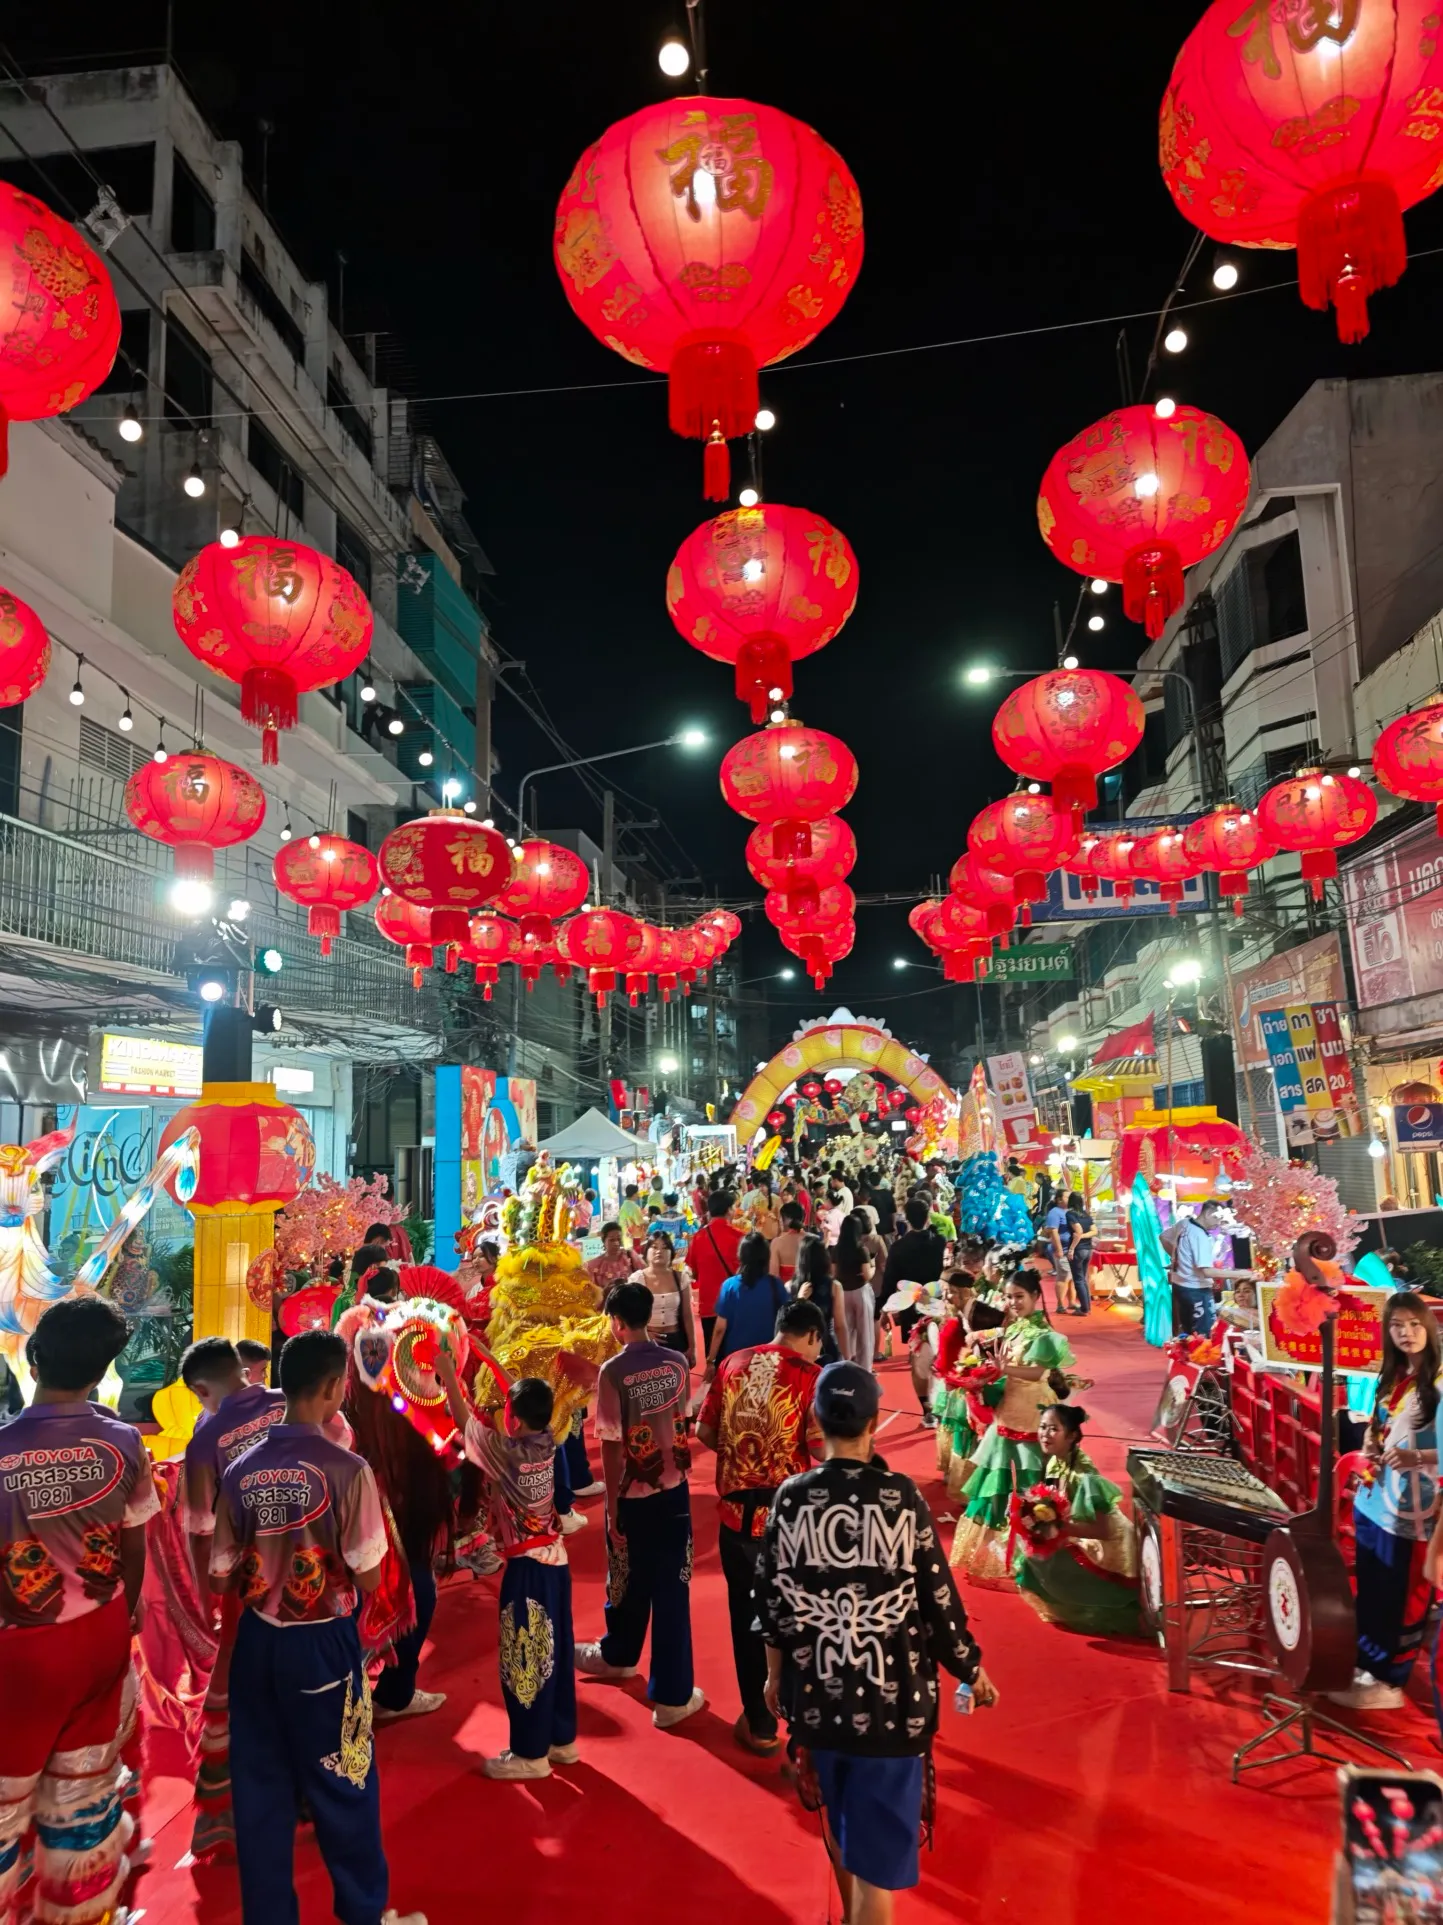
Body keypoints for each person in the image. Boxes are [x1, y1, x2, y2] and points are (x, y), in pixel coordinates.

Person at [756, 1361, 997, 1925]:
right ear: (872, 1422)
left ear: (815, 1419)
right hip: (893, 1707)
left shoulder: (791, 1498)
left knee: (839, 1825)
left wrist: (775, 1677)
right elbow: (937, 1598)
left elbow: (771, 1602)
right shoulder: (900, 1497)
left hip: (818, 1700)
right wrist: (969, 1666)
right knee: (874, 1873)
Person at [211, 1328, 427, 1925]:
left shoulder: (241, 1468)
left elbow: (220, 1576)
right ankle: (362, 1912)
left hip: (257, 1642)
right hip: (323, 1643)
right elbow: (368, 1576)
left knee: (260, 1788)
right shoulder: (348, 1469)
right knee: (344, 1779)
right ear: (334, 1387)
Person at [0, 1297, 158, 1925]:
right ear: (102, 1372)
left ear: (33, 1360)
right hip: (100, 1638)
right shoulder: (123, 1442)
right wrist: (125, 1614)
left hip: (17, 1653)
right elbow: (135, 1544)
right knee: (82, 1801)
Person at [436, 1361, 578, 1779]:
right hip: (556, 1560)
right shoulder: (547, 1440)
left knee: (526, 1654)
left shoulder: (506, 1453)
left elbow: (463, 1421)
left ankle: (530, 1754)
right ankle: (561, 1739)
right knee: (557, 1650)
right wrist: (492, 1365)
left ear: (513, 1419)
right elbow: (520, 1404)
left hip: (528, 1569)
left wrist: (448, 1374)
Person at [696, 1298, 825, 1755]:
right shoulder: (811, 1376)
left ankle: (760, 1723)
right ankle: (805, 1724)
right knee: (798, 1616)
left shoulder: (732, 1363)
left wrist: (739, 1457)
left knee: (746, 1617)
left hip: (736, 1518)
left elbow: (704, 1431)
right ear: (812, 1336)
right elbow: (820, 1447)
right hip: (789, 1523)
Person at [575, 1281, 704, 1728]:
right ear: (650, 1316)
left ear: (615, 1323)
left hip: (632, 1495)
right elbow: (680, 1418)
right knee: (672, 1587)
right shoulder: (677, 1363)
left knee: (626, 1577)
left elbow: (611, 1445)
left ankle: (619, 1654)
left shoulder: (613, 1372)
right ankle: (671, 1697)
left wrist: (612, 1504)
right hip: (675, 1489)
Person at [180, 1334, 288, 1857]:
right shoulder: (291, 1401)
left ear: (202, 1390)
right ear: (243, 1370)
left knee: (237, 1684)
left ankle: (232, 1809)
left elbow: (200, 1531)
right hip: (317, 1572)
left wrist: (206, 1600)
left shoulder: (206, 1440)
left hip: (248, 1582)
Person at [1332, 1291, 1441, 1711]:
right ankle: (1366, 1664)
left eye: (1414, 1324)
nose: (1406, 1333)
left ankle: (1390, 1680)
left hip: (1415, 1512)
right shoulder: (1394, 1374)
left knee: (1403, 1597)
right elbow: (1385, 1423)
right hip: (1375, 1500)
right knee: (1375, 1590)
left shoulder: (1439, 1383)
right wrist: (1372, 1440)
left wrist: (1418, 1457)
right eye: (1396, 1325)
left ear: (1428, 1326)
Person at [344, 1325, 455, 1724]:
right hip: (386, 1516)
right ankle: (390, 1693)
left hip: (374, 1516)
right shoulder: (409, 1401)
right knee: (413, 1595)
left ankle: (373, 1694)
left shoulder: (349, 1404)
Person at [949, 1269, 1076, 1586]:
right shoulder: (1015, 1327)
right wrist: (982, 1378)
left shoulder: (1044, 1334)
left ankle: (1030, 1558)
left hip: (1034, 1415)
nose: (1013, 1302)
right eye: (1009, 1297)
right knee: (998, 1483)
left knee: (1031, 1486)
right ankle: (1002, 1556)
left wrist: (1004, 1369)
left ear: (1036, 1297)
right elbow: (1003, 1365)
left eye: (1019, 1296)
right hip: (1008, 1412)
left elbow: (1038, 1373)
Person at [1013, 1404, 1140, 1636]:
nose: (1045, 1434)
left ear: (1072, 1436)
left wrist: (1058, 1529)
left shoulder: (1084, 1477)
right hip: (1078, 1527)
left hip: (1111, 1543)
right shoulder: (1055, 1461)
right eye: (1042, 1427)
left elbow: (1103, 1531)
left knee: (1045, 1552)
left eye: (1054, 1429)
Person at [706, 1230, 790, 1371]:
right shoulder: (776, 1285)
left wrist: (711, 1360)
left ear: (741, 1255)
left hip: (736, 1360)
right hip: (768, 1360)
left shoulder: (730, 1286)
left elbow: (720, 1329)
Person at [1170, 1198, 1252, 1335]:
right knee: (1204, 1334)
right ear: (1208, 1214)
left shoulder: (1185, 1225)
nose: (1218, 1223)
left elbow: (1166, 1239)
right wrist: (1241, 1274)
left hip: (1182, 1286)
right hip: (1196, 1290)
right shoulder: (1199, 1235)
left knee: (1191, 1332)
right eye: (1218, 1219)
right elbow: (1207, 1271)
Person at [690, 1190, 746, 1357]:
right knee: (736, 1360)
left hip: (708, 1306)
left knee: (713, 1358)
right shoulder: (740, 1237)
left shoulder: (698, 1237)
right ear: (729, 1210)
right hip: (735, 1306)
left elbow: (694, 1272)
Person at [631, 1228, 697, 1365]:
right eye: (654, 1247)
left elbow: (687, 1315)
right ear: (647, 1251)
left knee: (678, 1377)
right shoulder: (636, 1279)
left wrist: (692, 1346)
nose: (659, 1251)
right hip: (647, 1342)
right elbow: (630, 1315)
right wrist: (645, 1334)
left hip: (676, 1340)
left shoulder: (681, 1278)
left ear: (671, 1252)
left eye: (664, 1247)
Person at [831, 1213, 878, 1373]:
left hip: (842, 1293)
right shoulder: (861, 1249)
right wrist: (873, 1267)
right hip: (860, 1291)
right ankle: (865, 1369)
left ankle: (847, 1366)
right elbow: (867, 1275)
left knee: (846, 1330)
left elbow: (833, 1273)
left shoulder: (836, 1250)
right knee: (865, 1333)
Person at [795, 1230, 849, 1363]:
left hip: (799, 1351)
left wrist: (799, 1300)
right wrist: (847, 1356)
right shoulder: (834, 1286)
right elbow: (840, 1326)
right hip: (826, 1347)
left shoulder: (790, 1286)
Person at [1041, 1193, 1077, 1312]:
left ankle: (1072, 1302)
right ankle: (1060, 1305)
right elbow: (1053, 1232)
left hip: (1072, 1250)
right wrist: (1059, 1249)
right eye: (1067, 1197)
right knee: (1064, 1276)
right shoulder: (1055, 1212)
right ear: (1059, 1199)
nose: (1070, 1199)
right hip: (1062, 1250)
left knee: (1072, 1277)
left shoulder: (1070, 1211)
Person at [1063, 1192, 1095, 1317]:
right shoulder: (1086, 1215)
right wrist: (1083, 1236)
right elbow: (1094, 1231)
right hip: (1088, 1249)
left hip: (1078, 1250)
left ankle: (1084, 1309)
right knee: (1083, 1279)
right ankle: (1087, 1306)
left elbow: (1078, 1231)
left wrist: (1071, 1248)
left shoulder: (1070, 1214)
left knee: (1078, 1280)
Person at [585, 1221, 635, 1296]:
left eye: (619, 1239)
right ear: (603, 1241)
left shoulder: (630, 1256)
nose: (616, 1243)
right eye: (612, 1240)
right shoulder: (593, 1266)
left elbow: (645, 1276)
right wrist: (605, 1291)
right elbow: (591, 1295)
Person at [770, 1198, 806, 1284]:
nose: (780, 1221)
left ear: (787, 1219)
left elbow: (773, 1277)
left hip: (785, 1290)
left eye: (781, 1218)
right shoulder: (814, 1240)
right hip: (808, 1290)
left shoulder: (777, 1243)